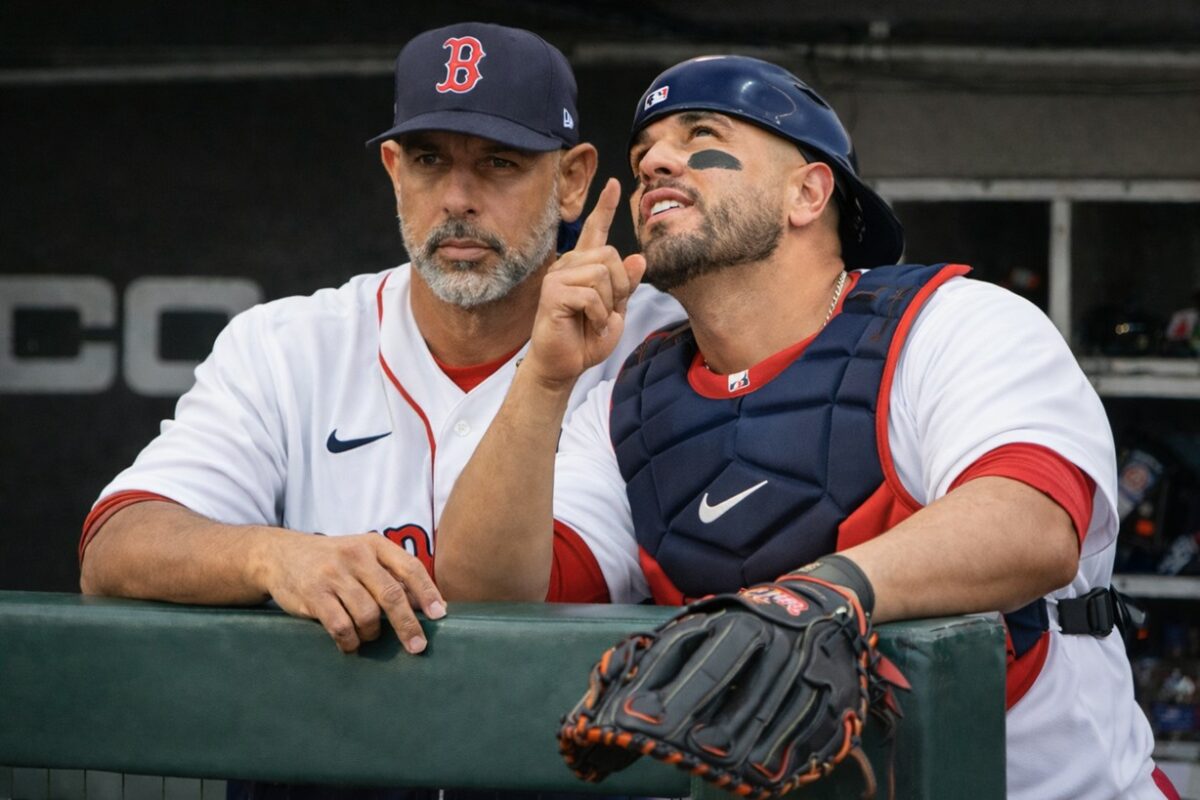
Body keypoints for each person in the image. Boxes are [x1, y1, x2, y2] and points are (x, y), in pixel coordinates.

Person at [434, 55, 1179, 800]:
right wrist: (544, 378)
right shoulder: (626, 402)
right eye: (643, 155)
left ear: (808, 192)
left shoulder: (952, 323)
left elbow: (1032, 525)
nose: (655, 161)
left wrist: (820, 594)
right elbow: (484, 594)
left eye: (701, 135)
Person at [77, 21, 681, 661]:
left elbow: (502, 610)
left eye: (498, 162)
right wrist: (271, 555)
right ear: (394, 170)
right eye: (429, 160)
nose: (457, 199)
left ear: (572, 180)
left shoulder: (656, 345)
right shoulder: (288, 345)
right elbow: (115, 545)